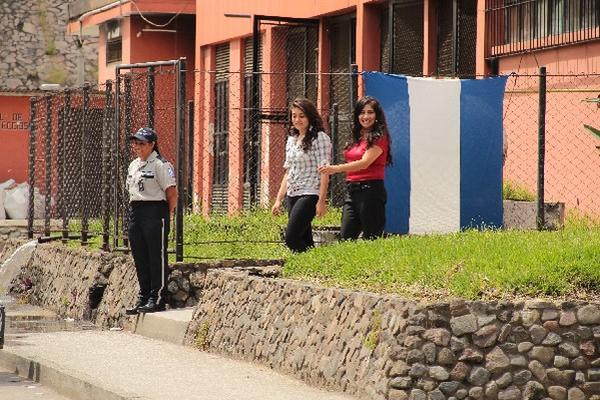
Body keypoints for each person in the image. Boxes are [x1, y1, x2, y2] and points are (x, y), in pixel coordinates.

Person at [319, 96, 391, 240]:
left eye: (370, 112)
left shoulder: (380, 137)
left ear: (377, 115)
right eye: (362, 112)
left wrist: (334, 169)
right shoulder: (356, 137)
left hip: (371, 191)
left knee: (371, 238)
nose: (365, 116)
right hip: (352, 191)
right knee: (346, 237)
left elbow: (365, 163)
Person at [125, 127, 177, 314]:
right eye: (135, 143)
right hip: (136, 211)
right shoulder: (134, 165)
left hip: (155, 211)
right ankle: (144, 296)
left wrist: (165, 216)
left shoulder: (161, 165)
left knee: (156, 255)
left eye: (141, 143)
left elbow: (172, 193)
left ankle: (157, 297)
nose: (137, 147)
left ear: (152, 144)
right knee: (140, 256)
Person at [271, 98, 332, 252]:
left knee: (291, 238)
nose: (297, 120)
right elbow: (288, 171)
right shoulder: (292, 139)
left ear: (310, 116)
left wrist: (321, 201)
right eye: (294, 116)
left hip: (310, 192)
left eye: (301, 116)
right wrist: (279, 199)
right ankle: (313, 265)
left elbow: (325, 171)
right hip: (292, 193)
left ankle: (315, 263)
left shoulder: (320, 138)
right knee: (304, 238)